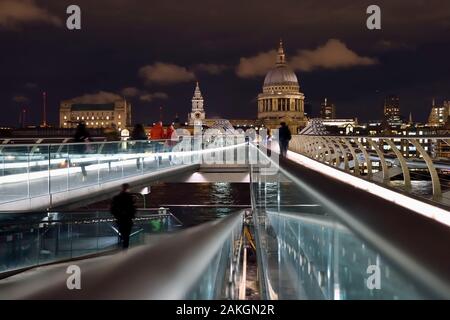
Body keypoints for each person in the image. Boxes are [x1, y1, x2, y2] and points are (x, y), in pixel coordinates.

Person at [110, 183, 136, 249]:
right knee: (127, 235)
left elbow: (112, 209)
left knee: (123, 233)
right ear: (128, 188)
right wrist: (132, 216)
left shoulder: (117, 198)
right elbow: (133, 208)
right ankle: (125, 248)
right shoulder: (130, 198)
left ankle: (122, 243)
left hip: (120, 219)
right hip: (128, 219)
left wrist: (117, 215)